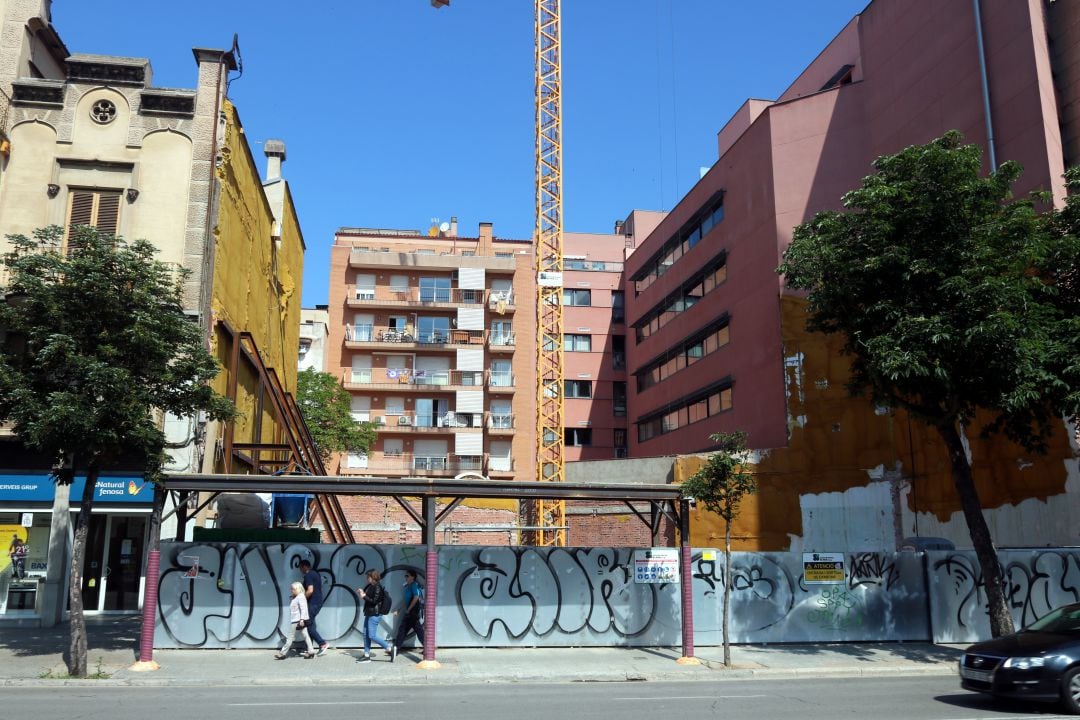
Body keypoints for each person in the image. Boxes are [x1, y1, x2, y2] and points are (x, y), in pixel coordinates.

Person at [356, 569, 392, 662]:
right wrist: (363, 593)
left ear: (373, 577)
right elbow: (370, 599)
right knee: (366, 634)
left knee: (372, 635)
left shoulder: (377, 587)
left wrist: (363, 596)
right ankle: (366, 655)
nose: (367, 579)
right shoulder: (372, 586)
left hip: (375, 614)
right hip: (369, 613)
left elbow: (374, 601)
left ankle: (389, 648)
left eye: (368, 577)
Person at [275, 581, 316, 660]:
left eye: (293, 589)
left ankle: (282, 653)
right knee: (306, 636)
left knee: (290, 637)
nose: (291, 590)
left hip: (298, 621)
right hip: (297, 620)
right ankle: (311, 651)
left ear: (297, 589)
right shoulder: (297, 597)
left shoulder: (300, 596)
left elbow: (303, 609)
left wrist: (301, 620)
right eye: (291, 589)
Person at [392, 569, 425, 660]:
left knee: (403, 629)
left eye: (407, 576)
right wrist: (399, 610)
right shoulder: (408, 586)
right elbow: (405, 601)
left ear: (413, 577)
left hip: (412, 612)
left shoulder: (414, 585)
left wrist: (409, 609)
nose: (405, 577)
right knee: (416, 630)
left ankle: (396, 648)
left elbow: (416, 597)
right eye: (405, 576)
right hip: (410, 612)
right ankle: (427, 648)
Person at [298, 558, 329, 655]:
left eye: (300, 568)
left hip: (313, 603)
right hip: (316, 602)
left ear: (304, 566)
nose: (300, 570)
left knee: (308, 624)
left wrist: (302, 599)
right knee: (310, 624)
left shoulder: (308, 575)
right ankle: (309, 648)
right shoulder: (315, 574)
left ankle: (322, 644)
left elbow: (310, 590)